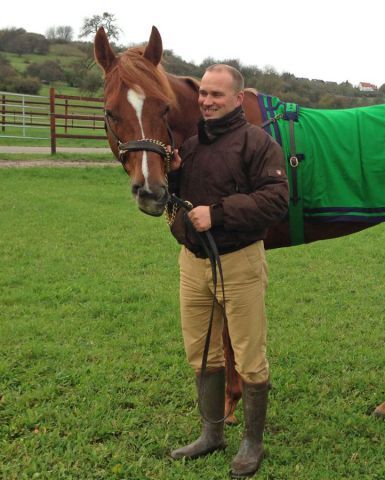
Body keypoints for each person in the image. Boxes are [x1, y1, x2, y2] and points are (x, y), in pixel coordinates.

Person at [167, 64, 289, 478]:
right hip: (193, 264)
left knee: (250, 359)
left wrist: (216, 214)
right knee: (201, 352)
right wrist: (175, 174)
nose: (207, 100)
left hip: (239, 263)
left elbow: (276, 201)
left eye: (217, 94)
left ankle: (252, 443)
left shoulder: (258, 143)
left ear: (238, 99)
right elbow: (177, 198)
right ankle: (212, 433)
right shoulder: (192, 145)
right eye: (203, 93)